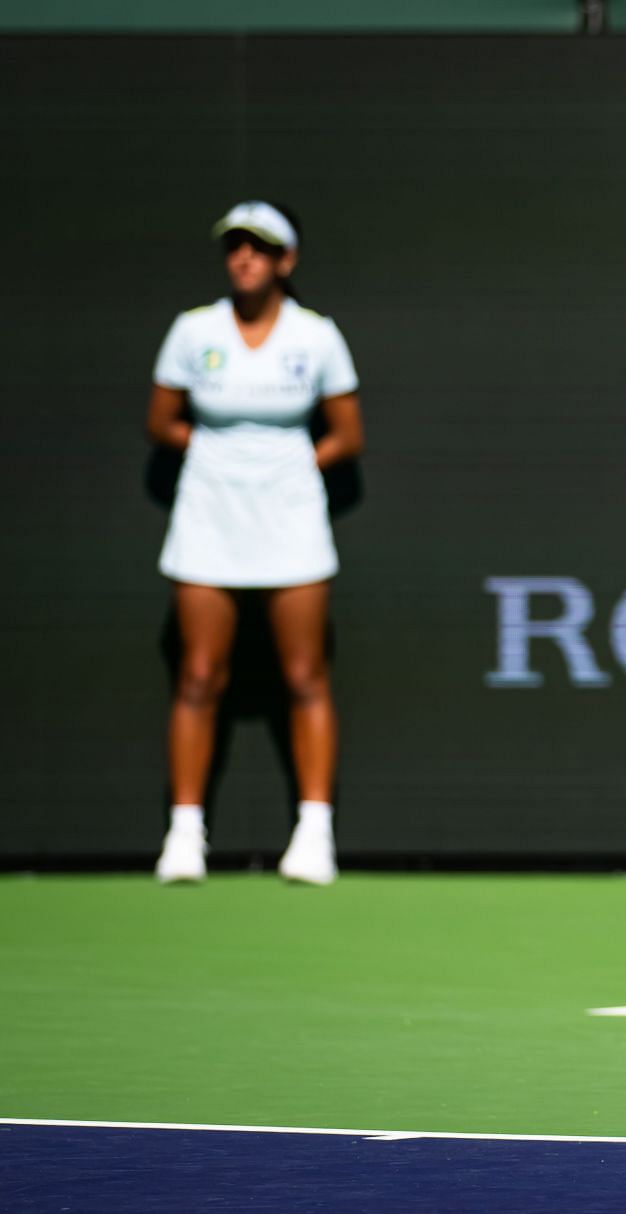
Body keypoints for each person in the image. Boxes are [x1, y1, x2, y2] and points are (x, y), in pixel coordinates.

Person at [147, 201, 364, 887]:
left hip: (291, 516)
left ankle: (314, 833)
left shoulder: (317, 337)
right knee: (200, 676)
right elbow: (162, 420)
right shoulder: (193, 331)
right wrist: (216, 454)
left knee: (304, 676)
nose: (245, 258)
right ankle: (185, 835)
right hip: (208, 513)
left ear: (285, 261)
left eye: (261, 248)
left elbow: (347, 435)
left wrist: (292, 465)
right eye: (236, 247)